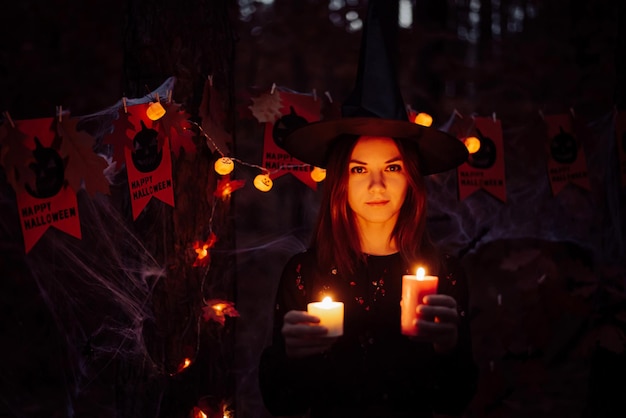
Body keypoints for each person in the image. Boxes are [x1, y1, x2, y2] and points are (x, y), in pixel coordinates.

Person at [258, 2, 478, 417]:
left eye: (392, 168)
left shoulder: (444, 274)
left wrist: (449, 348)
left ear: (411, 178)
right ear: (340, 181)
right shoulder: (305, 274)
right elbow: (280, 403)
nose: (377, 185)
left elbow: (457, 398)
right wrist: (291, 357)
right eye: (360, 169)